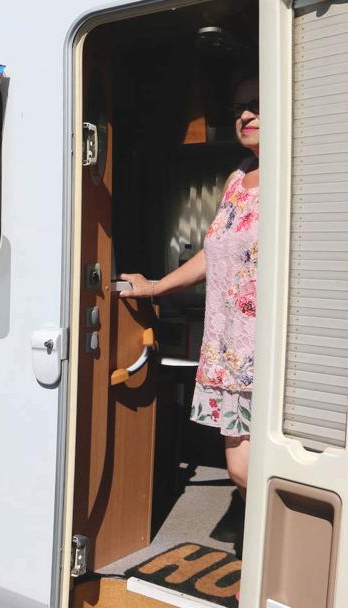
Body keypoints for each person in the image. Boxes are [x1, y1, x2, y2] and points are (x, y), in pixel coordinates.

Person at [121, 73, 259, 499]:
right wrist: (157, 287)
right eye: (238, 108)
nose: (246, 115)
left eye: (257, 103)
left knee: (246, 468)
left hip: (268, 347)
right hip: (229, 344)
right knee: (242, 465)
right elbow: (212, 252)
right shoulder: (239, 176)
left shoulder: (295, 175)